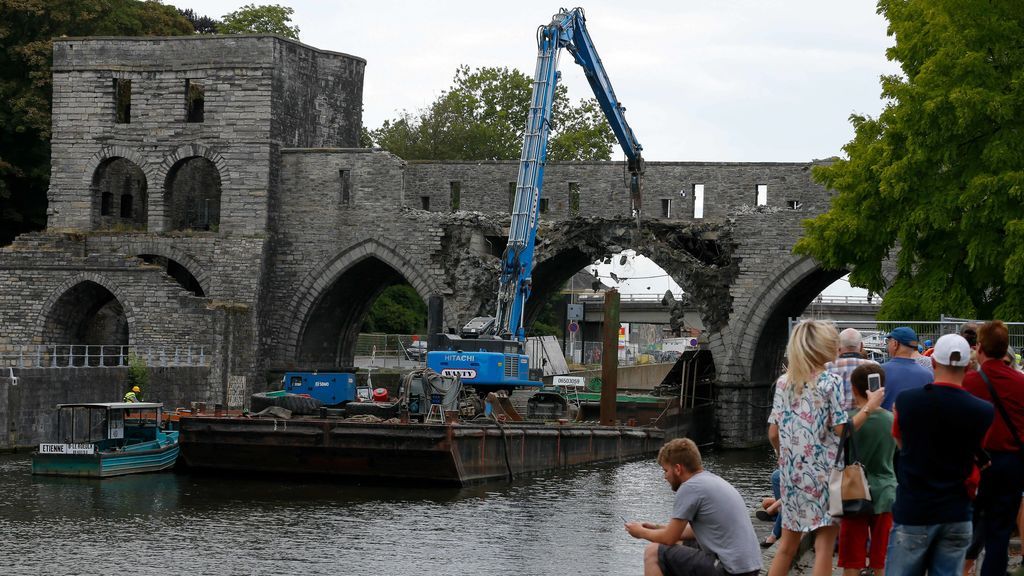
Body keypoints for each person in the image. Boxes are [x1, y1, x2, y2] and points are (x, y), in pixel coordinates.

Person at [767, 319, 882, 576]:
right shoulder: (829, 382)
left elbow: (773, 432)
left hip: (792, 474)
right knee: (824, 545)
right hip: (825, 476)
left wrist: (782, 457)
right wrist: (869, 407)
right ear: (823, 349)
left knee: (787, 545)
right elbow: (843, 430)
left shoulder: (784, 382)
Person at [886, 334, 994, 576]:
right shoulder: (983, 411)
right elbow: (977, 449)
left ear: (933, 363)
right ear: (968, 366)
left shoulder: (907, 402)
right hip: (956, 511)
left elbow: (900, 442)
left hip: (914, 508)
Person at [625, 438, 762, 576]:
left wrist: (640, 532)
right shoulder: (711, 480)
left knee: (653, 552)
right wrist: (656, 528)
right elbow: (689, 532)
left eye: (665, 470)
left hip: (730, 570)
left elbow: (669, 538)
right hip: (750, 567)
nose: (664, 477)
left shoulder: (690, 487)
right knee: (680, 543)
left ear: (678, 469)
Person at [962, 321, 1024, 576]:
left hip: (977, 462)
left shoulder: (970, 382)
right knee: (1000, 528)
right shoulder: (1020, 382)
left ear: (979, 348)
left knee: (966, 525)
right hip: (1012, 462)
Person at [837, 364, 897, 576]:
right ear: (881, 388)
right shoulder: (891, 420)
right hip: (886, 491)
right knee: (880, 559)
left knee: (852, 559)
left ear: (853, 389)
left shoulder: (848, 420)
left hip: (854, 492)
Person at [880, 327, 933, 411]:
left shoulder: (880, 371)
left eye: (888, 342)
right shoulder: (928, 375)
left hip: (887, 423)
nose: (887, 345)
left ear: (895, 344)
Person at [825, 327, 879, 410]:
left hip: (836, 420)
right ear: (861, 346)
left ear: (838, 346)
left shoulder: (826, 367)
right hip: (866, 418)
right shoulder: (874, 367)